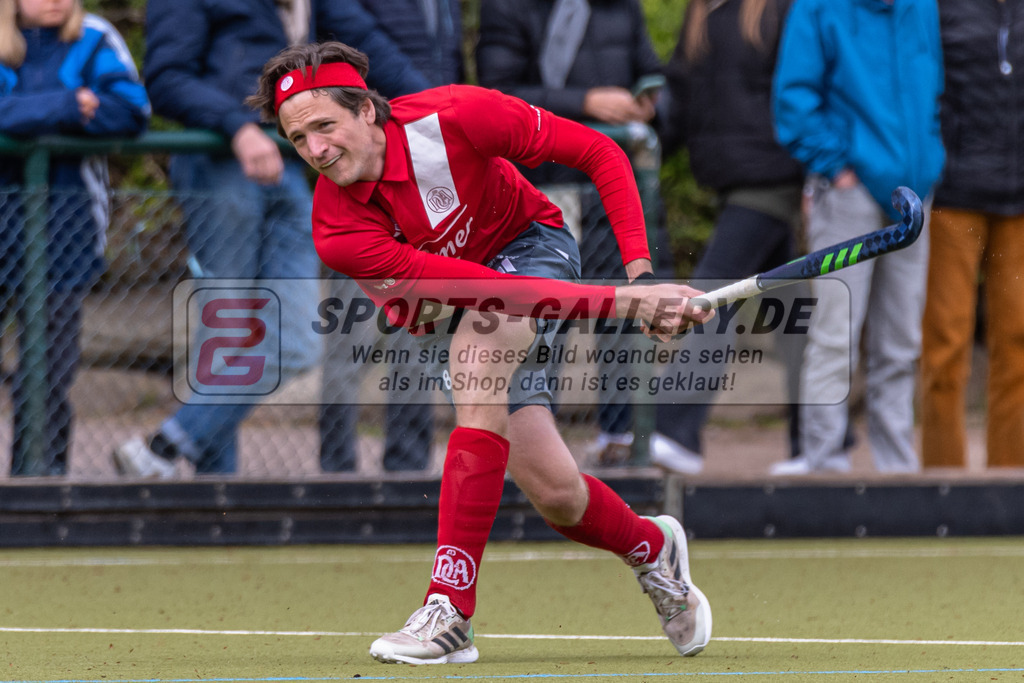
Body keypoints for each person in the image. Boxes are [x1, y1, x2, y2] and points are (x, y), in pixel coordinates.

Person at [248, 41, 714, 664]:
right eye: (298, 139)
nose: (315, 150)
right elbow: (473, 292)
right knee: (557, 494)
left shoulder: (458, 116)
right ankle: (651, 549)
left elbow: (602, 150)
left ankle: (449, 609)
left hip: (531, 243)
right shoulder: (338, 228)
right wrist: (629, 306)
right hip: (459, 301)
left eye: (325, 126)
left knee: (478, 356)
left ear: (366, 111)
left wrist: (638, 275)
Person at [111, 0, 435, 477]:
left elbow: (374, 54)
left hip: (284, 167)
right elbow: (166, 80)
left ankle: (163, 447)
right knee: (226, 332)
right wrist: (236, 126)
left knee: (301, 341)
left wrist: (443, 112)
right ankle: (213, 499)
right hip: (219, 165)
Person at [476, 0, 667, 467]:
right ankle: (542, 443)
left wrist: (649, 103)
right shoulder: (507, 8)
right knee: (547, 315)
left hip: (610, 183)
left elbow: (655, 74)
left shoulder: (623, 8)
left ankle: (619, 437)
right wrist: (585, 103)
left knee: (622, 312)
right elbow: (497, 95)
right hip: (544, 186)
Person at [771, 0, 944, 475]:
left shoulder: (921, 6)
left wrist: (929, 164)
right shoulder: (817, 8)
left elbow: (933, 89)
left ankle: (897, 468)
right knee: (834, 334)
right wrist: (837, 167)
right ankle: (824, 462)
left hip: (914, 195)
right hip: (847, 193)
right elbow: (793, 99)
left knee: (902, 341)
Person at [648, 0, 805, 475]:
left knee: (711, 296)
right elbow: (679, 94)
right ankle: (824, 439)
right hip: (731, 181)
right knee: (794, 317)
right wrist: (643, 137)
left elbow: (803, 88)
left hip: (771, 178)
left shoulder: (780, 10)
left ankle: (677, 431)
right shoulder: (705, 12)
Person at [0, 0, 149, 476]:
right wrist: (67, 105)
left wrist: (22, 115)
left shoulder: (93, 36)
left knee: (46, 373)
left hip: (65, 230)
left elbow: (130, 110)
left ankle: (40, 488)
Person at [319, 0, 465, 473]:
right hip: (361, 179)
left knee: (418, 335)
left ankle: (407, 469)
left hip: (422, 168)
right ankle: (335, 471)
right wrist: (439, 109)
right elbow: (368, 53)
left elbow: (452, 65)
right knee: (349, 335)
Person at [920, 0, 1024, 469]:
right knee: (945, 342)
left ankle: (1010, 482)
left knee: (1018, 343)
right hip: (952, 199)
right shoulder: (942, 8)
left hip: (1019, 204)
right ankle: (942, 482)